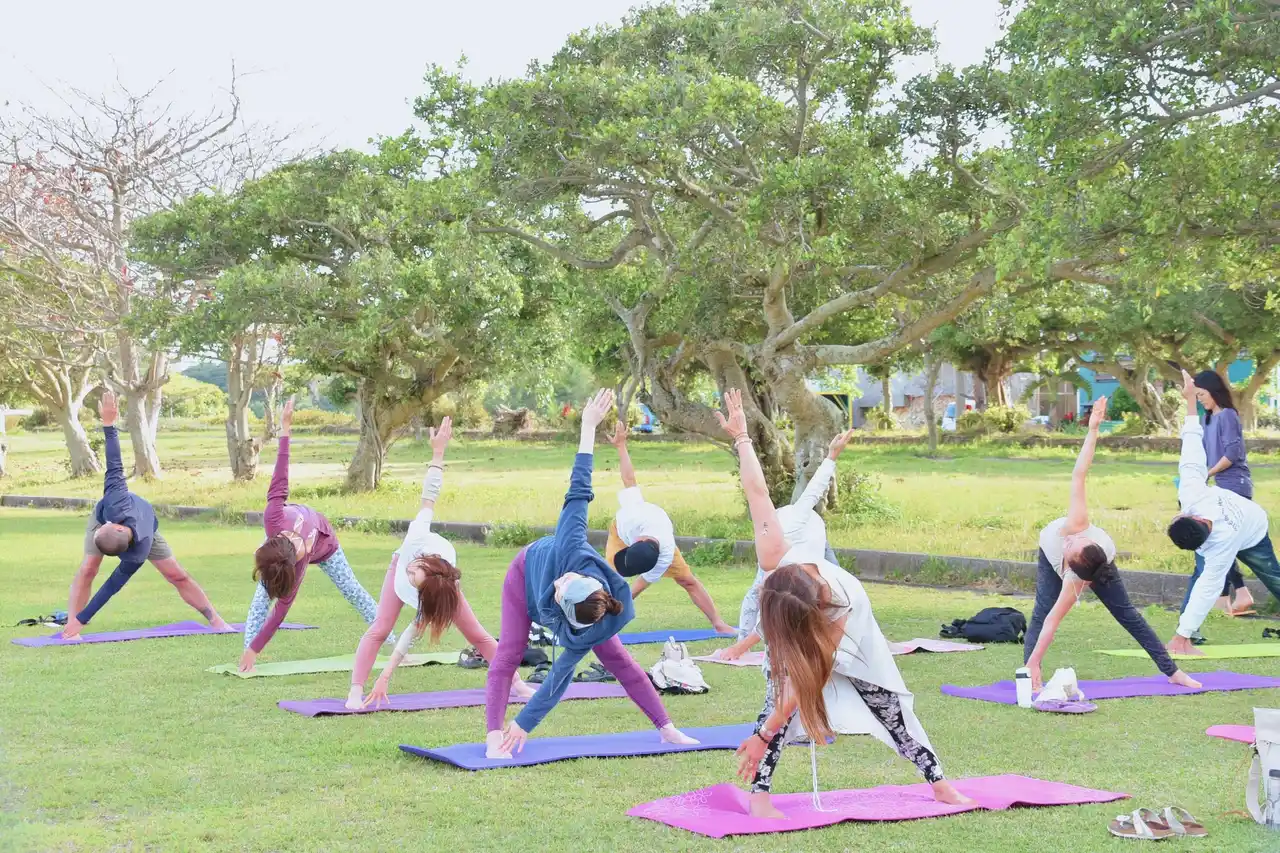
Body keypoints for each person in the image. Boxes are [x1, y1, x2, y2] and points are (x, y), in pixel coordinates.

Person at [716, 389, 972, 819]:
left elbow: (807, 682)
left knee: (888, 708)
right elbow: (756, 491)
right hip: (802, 615)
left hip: (856, 644)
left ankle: (939, 783)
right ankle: (759, 795)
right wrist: (741, 436)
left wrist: (763, 734)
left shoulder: (841, 605)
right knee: (774, 703)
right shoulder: (775, 558)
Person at [484, 390, 698, 759]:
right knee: (509, 653)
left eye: (560, 589)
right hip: (523, 575)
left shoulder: (596, 621)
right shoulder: (570, 546)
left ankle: (667, 729)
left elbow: (559, 678)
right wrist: (587, 427)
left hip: (581, 614)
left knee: (620, 661)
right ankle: (492, 736)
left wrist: (524, 723)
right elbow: (580, 487)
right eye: (563, 584)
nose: (559, 583)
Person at [346, 417, 532, 709]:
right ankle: (354, 692)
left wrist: (386, 675)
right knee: (380, 628)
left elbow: (412, 632)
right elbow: (430, 496)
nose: (411, 574)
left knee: (478, 635)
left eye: (414, 578)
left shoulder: (443, 588)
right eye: (415, 572)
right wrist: (437, 453)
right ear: (424, 562)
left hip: (438, 589)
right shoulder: (417, 542)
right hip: (397, 564)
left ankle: (518, 685)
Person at [1024, 397, 1200, 690]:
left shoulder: (1075, 580)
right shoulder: (1077, 524)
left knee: (1127, 614)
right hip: (1052, 554)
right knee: (1041, 612)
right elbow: (1079, 473)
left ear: (1071, 567)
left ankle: (1173, 672)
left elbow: (1057, 619)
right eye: (1074, 540)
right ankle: (1030, 674)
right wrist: (1093, 429)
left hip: (1092, 569)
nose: (1069, 538)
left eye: (1071, 545)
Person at [62, 391, 229, 639]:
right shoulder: (113, 506)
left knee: (177, 574)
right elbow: (114, 462)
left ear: (117, 526)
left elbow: (112, 585)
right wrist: (108, 424)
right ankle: (70, 627)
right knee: (88, 569)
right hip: (120, 518)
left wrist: (84, 619)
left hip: (147, 530)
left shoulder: (137, 552)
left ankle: (216, 619)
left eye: (105, 526)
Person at [239, 400, 383, 672]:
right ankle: (245, 657)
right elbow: (282, 471)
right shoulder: (274, 519)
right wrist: (285, 429)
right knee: (261, 598)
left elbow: (280, 612)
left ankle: (394, 642)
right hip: (279, 549)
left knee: (353, 591)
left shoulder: (300, 558)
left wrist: (257, 648)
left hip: (326, 546)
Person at [1166, 370, 1280, 656]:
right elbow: (1191, 448)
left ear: (1190, 517)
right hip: (1226, 504)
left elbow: (1209, 587)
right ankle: (1190, 631)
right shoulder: (1192, 495)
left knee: (1272, 575)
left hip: (1252, 524)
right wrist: (1189, 401)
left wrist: (1181, 636)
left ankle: (1192, 629)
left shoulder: (1219, 538)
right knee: (1203, 572)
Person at [718, 428, 855, 661]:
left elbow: (813, 492)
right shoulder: (767, 551)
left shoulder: (796, 527)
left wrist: (832, 456)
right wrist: (740, 646)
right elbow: (761, 606)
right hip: (795, 548)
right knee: (765, 594)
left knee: (834, 594)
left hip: (814, 538)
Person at [601, 422, 733, 634]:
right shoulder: (634, 514)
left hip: (655, 544)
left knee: (688, 581)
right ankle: (591, 616)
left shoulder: (665, 555)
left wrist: (615, 609)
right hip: (619, 533)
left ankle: (719, 624)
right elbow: (629, 479)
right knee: (606, 581)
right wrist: (621, 446)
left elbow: (636, 589)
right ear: (636, 542)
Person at [1178, 371, 1255, 624]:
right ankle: (1233, 596)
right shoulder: (1206, 419)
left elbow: (1232, 454)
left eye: (1202, 394)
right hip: (1216, 486)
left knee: (1220, 540)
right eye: (1197, 395)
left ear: (1213, 391)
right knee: (1218, 541)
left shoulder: (1228, 416)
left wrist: (1205, 474)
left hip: (1235, 485)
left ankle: (1233, 595)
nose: (1200, 399)